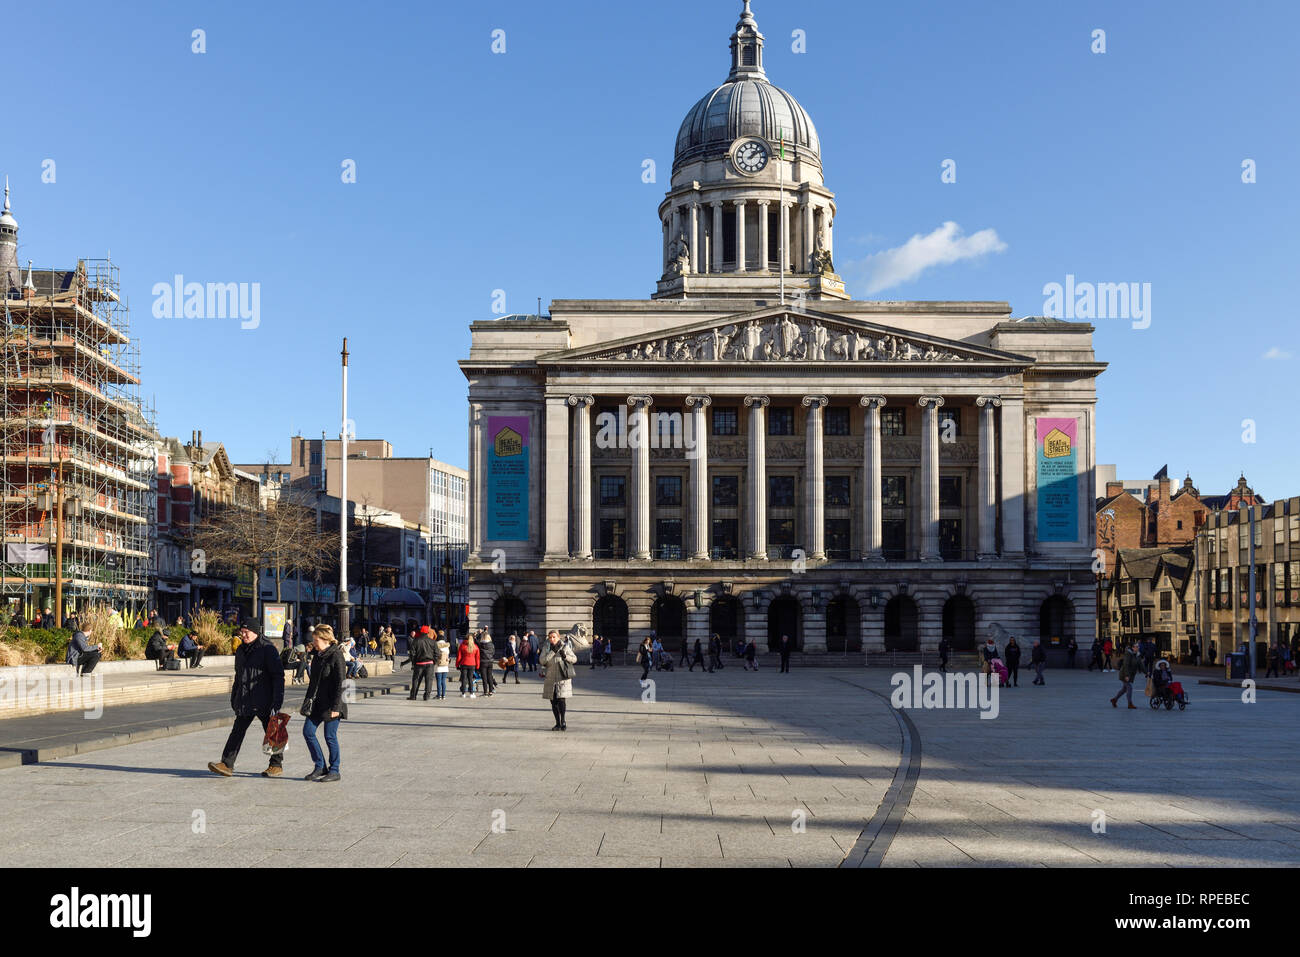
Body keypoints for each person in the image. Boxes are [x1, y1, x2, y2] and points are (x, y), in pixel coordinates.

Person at [208, 622, 287, 777]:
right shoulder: (241, 649)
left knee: (271, 732)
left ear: (256, 632)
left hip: (264, 699)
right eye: (241, 632)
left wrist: (277, 701)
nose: (243, 635)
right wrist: (234, 696)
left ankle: (276, 765)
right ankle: (226, 764)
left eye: (246, 632)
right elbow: (239, 675)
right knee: (237, 731)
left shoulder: (267, 649)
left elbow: (278, 676)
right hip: (245, 699)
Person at [301, 624, 347, 782]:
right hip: (317, 703)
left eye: (316, 640)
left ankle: (334, 770)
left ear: (325, 640)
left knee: (330, 736)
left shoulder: (336, 655)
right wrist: (307, 703)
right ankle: (320, 766)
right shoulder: (318, 656)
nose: (313, 643)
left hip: (332, 704)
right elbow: (313, 682)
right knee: (308, 731)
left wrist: (337, 707)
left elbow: (342, 682)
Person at [540, 630, 577, 731]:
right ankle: (557, 723)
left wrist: (565, 656)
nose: (552, 639)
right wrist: (552, 652)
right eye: (550, 637)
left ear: (558, 637)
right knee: (553, 701)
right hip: (550, 677)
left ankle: (563, 721)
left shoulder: (565, 646)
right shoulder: (546, 647)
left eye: (554, 637)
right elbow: (542, 660)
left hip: (562, 677)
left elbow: (574, 659)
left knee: (561, 700)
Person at [408, 626, 436, 701]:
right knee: (429, 680)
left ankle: (413, 696)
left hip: (419, 663)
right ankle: (427, 696)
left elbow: (412, 653)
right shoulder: (432, 641)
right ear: (427, 632)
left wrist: (414, 663)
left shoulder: (416, 641)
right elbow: (437, 653)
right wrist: (434, 662)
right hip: (429, 663)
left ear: (420, 632)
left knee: (416, 680)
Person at [1110, 642, 1140, 709]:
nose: (1138, 648)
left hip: (1129, 674)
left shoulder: (1137, 655)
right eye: (1136, 646)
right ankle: (1130, 703)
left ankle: (1114, 700)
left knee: (1124, 689)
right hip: (1124, 674)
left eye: (1138, 646)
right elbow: (1126, 665)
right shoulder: (1128, 654)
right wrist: (1126, 675)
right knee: (1129, 687)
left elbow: (1140, 664)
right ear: (1132, 648)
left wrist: (1147, 672)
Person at [457, 632, 480, 698]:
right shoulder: (475, 647)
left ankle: (463, 693)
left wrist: (457, 664)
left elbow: (459, 656)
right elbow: (477, 657)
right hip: (472, 664)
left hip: (464, 663)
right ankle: (471, 693)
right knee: (470, 678)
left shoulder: (462, 645)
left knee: (464, 679)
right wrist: (478, 666)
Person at [433, 629, 452, 699]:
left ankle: (439, 695)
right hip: (445, 666)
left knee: (438, 681)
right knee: (443, 681)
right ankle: (443, 695)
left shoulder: (435, 645)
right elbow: (448, 655)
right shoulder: (447, 646)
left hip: (438, 666)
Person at [478, 630, 498, 697]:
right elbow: (493, 652)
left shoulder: (481, 644)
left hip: (483, 662)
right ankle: (491, 691)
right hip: (490, 662)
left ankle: (485, 692)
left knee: (484, 678)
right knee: (490, 676)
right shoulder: (491, 644)